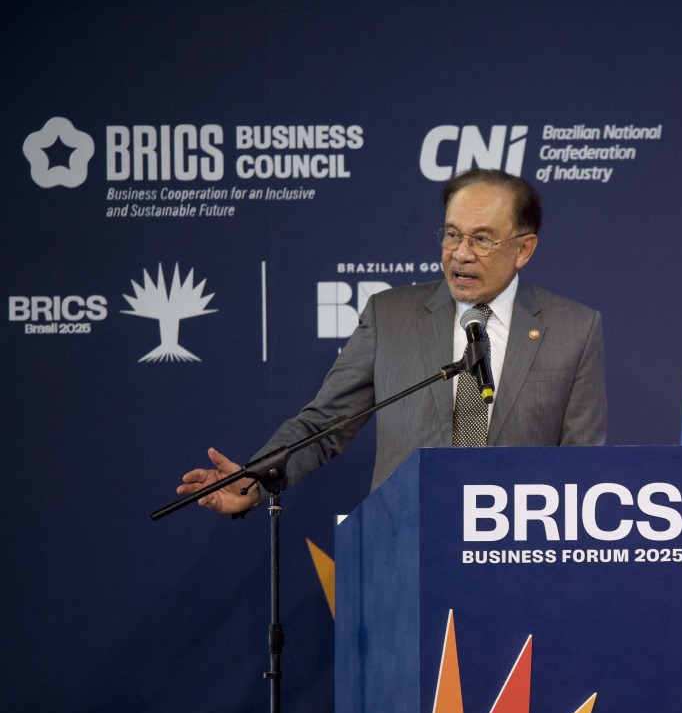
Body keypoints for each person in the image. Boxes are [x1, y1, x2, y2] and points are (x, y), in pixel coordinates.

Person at [177, 168, 607, 515]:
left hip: (517, 552)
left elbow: (584, 465)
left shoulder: (574, 327)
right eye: (452, 234)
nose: (459, 253)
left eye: (481, 239)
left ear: (524, 249)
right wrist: (254, 480)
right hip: (405, 539)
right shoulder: (390, 316)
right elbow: (324, 424)